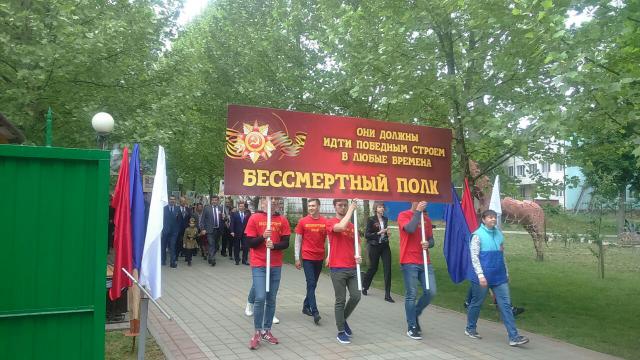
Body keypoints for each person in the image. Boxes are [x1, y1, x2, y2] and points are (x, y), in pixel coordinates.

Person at [465, 209, 530, 346]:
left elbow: (501, 255)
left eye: (494, 217)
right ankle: (470, 328)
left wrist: (506, 272)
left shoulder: (499, 234)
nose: (493, 219)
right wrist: (481, 275)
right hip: (482, 277)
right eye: (490, 217)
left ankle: (514, 336)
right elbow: (474, 257)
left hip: (499, 276)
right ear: (483, 220)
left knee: (505, 305)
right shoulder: (477, 235)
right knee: (477, 303)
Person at [245, 197, 290, 350]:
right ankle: (257, 331)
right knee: (260, 297)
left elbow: (286, 243)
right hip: (259, 264)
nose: (273, 203)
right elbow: (249, 243)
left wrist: (274, 246)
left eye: (276, 201)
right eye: (269, 201)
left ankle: (267, 330)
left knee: (271, 299)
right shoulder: (254, 218)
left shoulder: (282, 220)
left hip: (275, 265)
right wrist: (263, 237)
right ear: (263, 202)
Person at [397, 201, 436, 340]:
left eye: (422, 200)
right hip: (409, 260)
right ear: (412, 201)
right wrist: (418, 212)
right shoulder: (403, 215)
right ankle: (412, 326)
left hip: (425, 261)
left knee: (431, 291)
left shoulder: (427, 220)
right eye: (417, 200)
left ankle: (415, 313)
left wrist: (428, 244)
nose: (421, 203)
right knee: (411, 294)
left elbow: (431, 240)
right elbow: (410, 229)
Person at [326, 198, 362, 344]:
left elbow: (358, 244)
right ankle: (341, 331)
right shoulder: (330, 222)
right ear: (335, 207)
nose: (343, 207)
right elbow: (340, 227)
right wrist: (351, 210)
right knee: (340, 300)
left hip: (352, 267)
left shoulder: (353, 226)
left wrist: (359, 255)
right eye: (340, 205)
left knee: (356, 296)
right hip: (337, 268)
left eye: (345, 205)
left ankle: (342, 319)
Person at [294, 198, 327, 325]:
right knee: (311, 283)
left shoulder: (325, 221)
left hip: (319, 257)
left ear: (319, 206)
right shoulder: (303, 221)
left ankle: (305, 306)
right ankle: (315, 311)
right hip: (307, 257)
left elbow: (328, 239)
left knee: (312, 285)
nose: (311, 208)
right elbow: (298, 241)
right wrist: (297, 258)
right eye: (309, 206)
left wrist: (328, 256)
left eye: (313, 205)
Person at [362, 201, 393, 302]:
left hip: (385, 246)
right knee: (373, 268)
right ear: (376, 208)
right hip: (374, 246)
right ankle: (365, 286)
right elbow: (367, 235)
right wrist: (379, 233)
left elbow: (386, 232)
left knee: (388, 269)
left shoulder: (385, 219)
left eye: (383, 207)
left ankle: (387, 295)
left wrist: (388, 234)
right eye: (380, 207)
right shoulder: (371, 219)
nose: (382, 209)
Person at [201, 195, 224, 266]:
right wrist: (203, 229)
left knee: (216, 246)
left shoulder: (221, 208)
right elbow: (202, 219)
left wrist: (224, 217)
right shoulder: (207, 208)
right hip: (209, 230)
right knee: (211, 244)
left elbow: (225, 219)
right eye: (213, 200)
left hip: (218, 230)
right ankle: (212, 259)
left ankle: (210, 256)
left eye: (216, 200)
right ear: (211, 201)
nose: (214, 201)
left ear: (218, 201)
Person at [162, 195, 181, 268]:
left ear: (175, 201)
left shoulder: (177, 209)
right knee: (163, 246)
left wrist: (177, 230)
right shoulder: (164, 209)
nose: (172, 200)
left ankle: (172, 262)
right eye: (170, 199)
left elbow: (179, 221)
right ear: (168, 200)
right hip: (165, 231)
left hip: (174, 232)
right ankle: (163, 260)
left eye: (173, 199)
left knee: (172, 246)